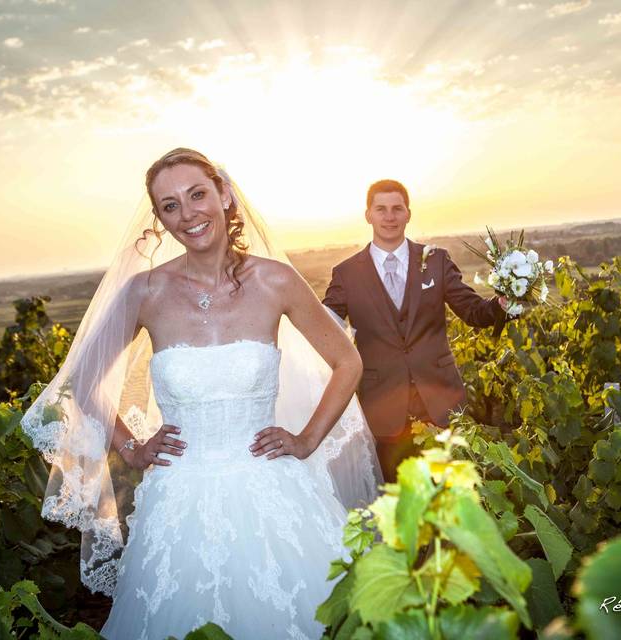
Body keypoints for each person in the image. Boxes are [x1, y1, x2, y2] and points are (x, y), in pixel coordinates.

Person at [21, 148, 381, 640]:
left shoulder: (276, 280)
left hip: (273, 491)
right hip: (179, 498)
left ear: (224, 196)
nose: (188, 214)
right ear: (160, 219)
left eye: (197, 195)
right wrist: (132, 446)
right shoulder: (144, 292)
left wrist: (306, 440)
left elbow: (348, 362)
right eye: (170, 206)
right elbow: (82, 381)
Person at [323, 180, 506, 482]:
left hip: (441, 406)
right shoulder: (346, 273)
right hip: (383, 411)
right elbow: (325, 327)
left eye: (397, 209)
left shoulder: (436, 260)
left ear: (408, 214)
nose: (390, 216)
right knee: (400, 507)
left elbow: (473, 312)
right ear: (368, 215)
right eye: (381, 209)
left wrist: (501, 304)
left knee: (449, 504)